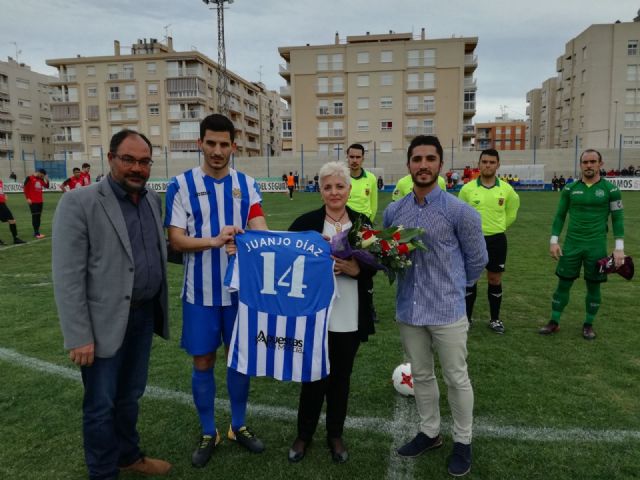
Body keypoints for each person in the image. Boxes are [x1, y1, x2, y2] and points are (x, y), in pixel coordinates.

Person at [52, 129, 171, 480]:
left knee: (130, 396)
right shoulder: (80, 202)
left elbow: (153, 252)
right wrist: (78, 335)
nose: (137, 168)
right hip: (102, 323)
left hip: (143, 316)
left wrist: (213, 242)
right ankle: (103, 473)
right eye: (129, 160)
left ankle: (128, 455)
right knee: (100, 405)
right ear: (111, 159)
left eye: (144, 161)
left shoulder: (151, 200)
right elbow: (67, 275)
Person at [165, 113, 268, 468]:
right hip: (201, 295)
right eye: (211, 143)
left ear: (234, 147)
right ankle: (208, 431)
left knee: (240, 362)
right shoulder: (180, 185)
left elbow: (260, 227)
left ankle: (237, 426)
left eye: (224, 144)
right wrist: (214, 240)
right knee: (204, 360)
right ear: (200, 144)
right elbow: (175, 240)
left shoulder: (247, 185)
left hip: (241, 294)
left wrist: (252, 238)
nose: (217, 150)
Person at [384, 135, 487, 477]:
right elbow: (387, 256)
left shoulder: (460, 211)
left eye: (430, 159)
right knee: (422, 375)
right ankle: (430, 433)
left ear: (440, 165)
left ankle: (463, 440)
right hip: (409, 310)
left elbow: (477, 261)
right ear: (409, 165)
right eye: (417, 159)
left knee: (457, 378)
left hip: (447, 311)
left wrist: (453, 289)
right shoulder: (394, 210)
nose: (423, 165)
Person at [287, 161, 377, 464]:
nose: (334, 192)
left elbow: (374, 268)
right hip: (315, 316)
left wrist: (356, 269)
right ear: (320, 189)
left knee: (341, 378)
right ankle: (304, 435)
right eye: (328, 187)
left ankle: (335, 434)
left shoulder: (363, 224)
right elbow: (288, 263)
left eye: (340, 186)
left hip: (350, 315)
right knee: (312, 377)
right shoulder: (305, 223)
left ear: (349, 189)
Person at [539, 149, 625, 340]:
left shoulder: (611, 190)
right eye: (585, 162)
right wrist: (554, 241)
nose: (589, 165)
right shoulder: (570, 189)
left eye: (593, 162)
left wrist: (619, 247)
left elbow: (618, 219)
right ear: (581, 165)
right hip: (571, 245)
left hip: (596, 247)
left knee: (594, 287)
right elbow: (560, 216)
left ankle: (588, 324)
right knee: (563, 284)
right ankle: (554, 321)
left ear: (600, 164)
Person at [458, 149, 520, 333]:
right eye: (484, 161)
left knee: (494, 278)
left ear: (498, 165)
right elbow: (460, 214)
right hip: (472, 240)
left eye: (492, 162)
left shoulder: (506, 189)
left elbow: (512, 212)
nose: (488, 165)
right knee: (471, 279)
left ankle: (495, 319)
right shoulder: (467, 189)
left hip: (497, 239)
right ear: (479, 164)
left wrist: (499, 227)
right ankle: (466, 319)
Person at [345, 143, 378, 222]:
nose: (355, 160)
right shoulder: (340, 177)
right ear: (347, 158)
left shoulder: (371, 178)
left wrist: (369, 222)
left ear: (363, 158)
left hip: (364, 222)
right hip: (345, 222)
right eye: (352, 157)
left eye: (358, 157)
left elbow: (373, 205)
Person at [23, 168, 49, 239]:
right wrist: (27, 198)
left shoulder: (40, 179)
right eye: (42, 175)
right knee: (35, 216)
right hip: (33, 201)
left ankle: (37, 232)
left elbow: (47, 186)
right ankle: (36, 233)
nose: (42, 177)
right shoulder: (29, 178)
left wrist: (47, 179)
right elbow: (25, 188)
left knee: (38, 217)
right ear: (38, 172)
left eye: (43, 176)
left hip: (40, 201)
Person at [0, 178, 25, 245]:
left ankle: (16, 238)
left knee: (11, 220)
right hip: (1, 204)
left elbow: (1, 191)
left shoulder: (0, 181)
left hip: (2, 203)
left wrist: (4, 195)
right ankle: (15, 239)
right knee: (12, 220)